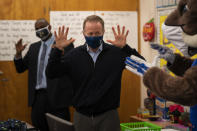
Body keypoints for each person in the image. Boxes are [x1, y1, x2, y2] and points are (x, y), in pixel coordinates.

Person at [46, 15, 145, 131]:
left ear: (103, 32)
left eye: (97, 33)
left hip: (108, 116)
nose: (94, 37)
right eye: (90, 34)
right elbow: (51, 73)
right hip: (82, 117)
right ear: (84, 33)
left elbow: (142, 66)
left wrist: (125, 48)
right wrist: (57, 50)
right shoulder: (74, 55)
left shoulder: (116, 54)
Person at [14, 18, 73, 131]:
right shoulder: (33, 48)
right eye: (36, 29)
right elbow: (20, 68)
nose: (39, 30)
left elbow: (68, 68)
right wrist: (18, 54)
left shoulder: (64, 44)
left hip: (58, 98)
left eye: (42, 27)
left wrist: (59, 49)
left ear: (49, 27)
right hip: (38, 99)